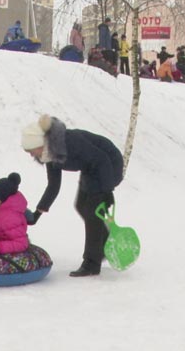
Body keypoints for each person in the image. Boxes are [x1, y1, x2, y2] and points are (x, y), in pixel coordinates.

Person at [21, 115, 123, 277]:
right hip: (91, 168)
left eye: (31, 150)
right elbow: (53, 186)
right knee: (81, 205)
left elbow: (102, 160)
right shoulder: (50, 154)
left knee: (93, 212)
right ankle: (102, 244)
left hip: (109, 164)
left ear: (39, 144)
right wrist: (37, 213)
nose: (31, 155)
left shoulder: (70, 142)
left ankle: (91, 263)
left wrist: (107, 191)